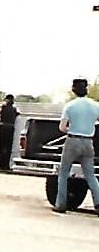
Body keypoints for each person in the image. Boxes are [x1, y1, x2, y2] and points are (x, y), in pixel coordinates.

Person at [53, 78, 99, 214]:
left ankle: (60, 204)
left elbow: (62, 127)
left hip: (72, 140)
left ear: (74, 90)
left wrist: (71, 129)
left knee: (63, 174)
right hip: (88, 142)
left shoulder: (69, 106)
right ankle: (98, 203)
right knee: (90, 175)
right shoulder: (96, 106)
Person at [0, 93, 19, 171]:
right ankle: (6, 165)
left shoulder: (2, 107)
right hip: (10, 127)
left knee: (2, 146)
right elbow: (18, 113)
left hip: (2, 127)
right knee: (8, 147)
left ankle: (1, 165)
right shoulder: (14, 108)